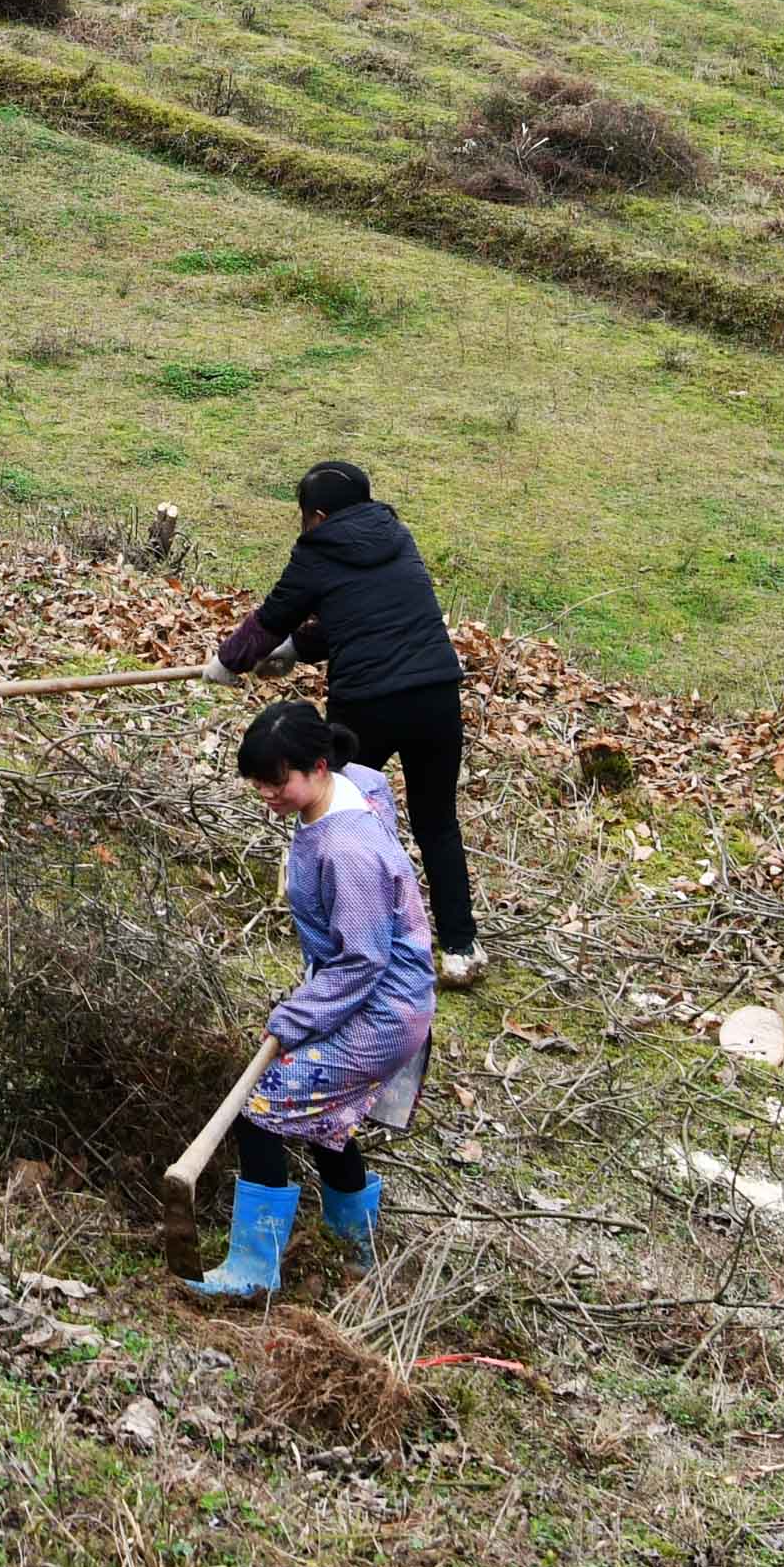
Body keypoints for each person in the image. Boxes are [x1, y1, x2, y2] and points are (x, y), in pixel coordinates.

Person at [185, 696, 444, 1304]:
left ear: (319, 767)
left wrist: (297, 1017)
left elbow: (361, 960)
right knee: (327, 1123)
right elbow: (373, 781)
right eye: (259, 784)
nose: (267, 796)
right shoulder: (358, 784)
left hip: (382, 1010)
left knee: (262, 1109)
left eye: (279, 783)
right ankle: (354, 1254)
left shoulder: (346, 850)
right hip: (376, 997)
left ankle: (254, 1269)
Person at [214, 460, 484, 982]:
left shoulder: (316, 550)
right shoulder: (397, 537)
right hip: (436, 695)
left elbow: (272, 616)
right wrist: (296, 649)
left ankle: (352, 936)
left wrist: (228, 661)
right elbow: (359, 615)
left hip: (367, 704)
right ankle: (460, 948)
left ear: (316, 515)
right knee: (437, 820)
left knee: (337, 813)